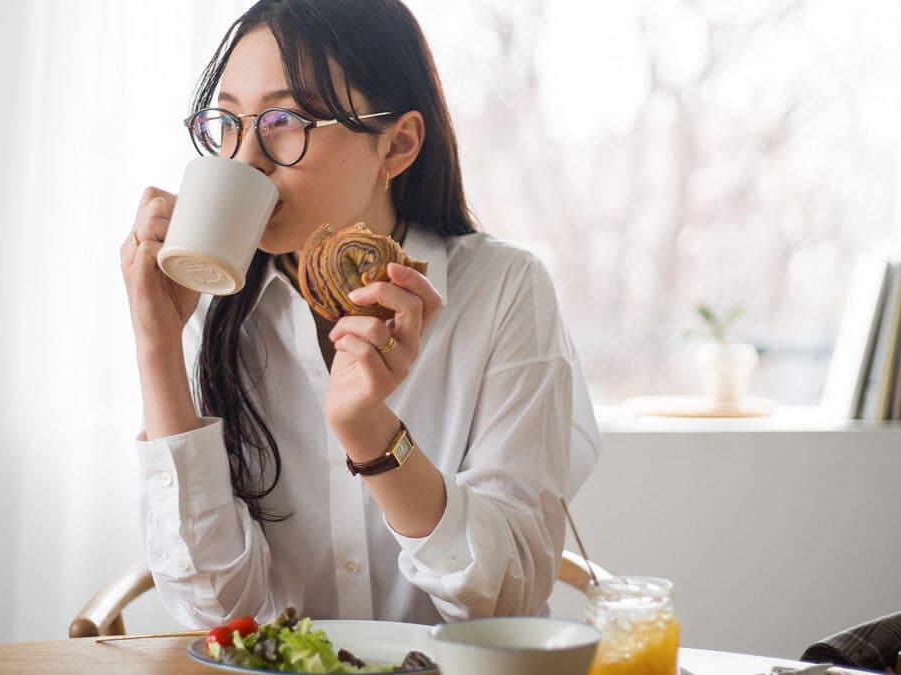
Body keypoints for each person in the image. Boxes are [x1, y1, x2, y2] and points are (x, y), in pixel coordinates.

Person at [120, 0, 602, 628]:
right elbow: (217, 611)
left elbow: (505, 596)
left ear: (396, 145)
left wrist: (372, 434)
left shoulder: (505, 290)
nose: (246, 159)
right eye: (229, 122)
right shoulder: (204, 305)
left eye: (284, 120)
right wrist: (156, 343)